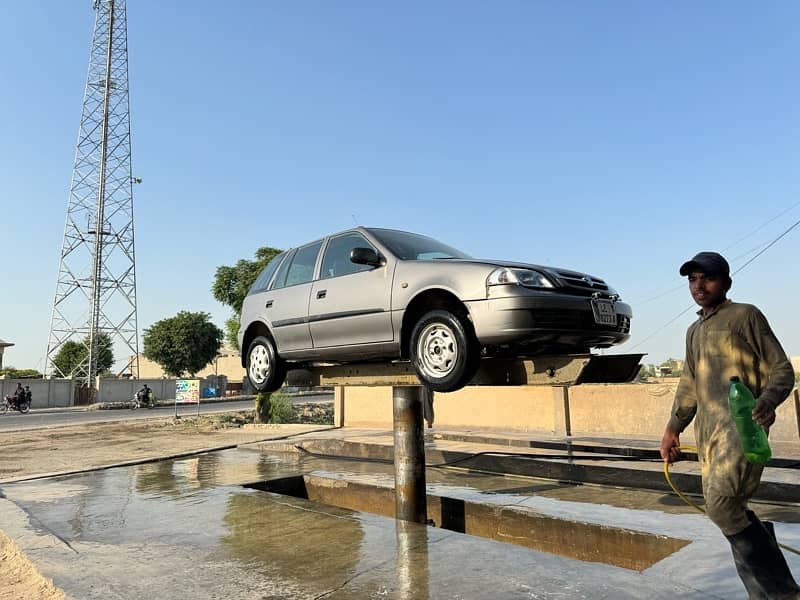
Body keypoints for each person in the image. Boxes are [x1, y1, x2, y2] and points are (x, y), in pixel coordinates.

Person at [660, 251, 799, 598]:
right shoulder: (694, 331)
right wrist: (673, 428)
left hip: (742, 430)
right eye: (692, 279)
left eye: (706, 277)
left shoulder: (744, 316)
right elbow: (689, 384)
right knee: (729, 509)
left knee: (722, 507)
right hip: (707, 434)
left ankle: (783, 593)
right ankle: (762, 592)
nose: (698, 285)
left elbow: (782, 368)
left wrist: (768, 400)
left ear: (726, 282)